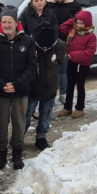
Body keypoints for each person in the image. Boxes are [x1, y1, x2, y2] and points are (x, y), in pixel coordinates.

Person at [0, 9, 37, 170]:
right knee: (1, 123)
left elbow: (32, 68)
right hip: (1, 91)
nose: (7, 25)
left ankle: (17, 154)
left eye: (10, 22)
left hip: (20, 91)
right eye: (4, 22)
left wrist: (17, 84)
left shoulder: (28, 41)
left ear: (16, 23)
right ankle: (1, 153)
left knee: (19, 123)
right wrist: (1, 84)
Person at [26, 22, 66, 150]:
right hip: (32, 87)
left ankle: (41, 137)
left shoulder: (60, 46)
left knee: (46, 114)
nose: (44, 49)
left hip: (50, 86)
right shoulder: (29, 44)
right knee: (26, 114)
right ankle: (19, 137)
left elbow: (59, 63)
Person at [59, 10, 97, 119]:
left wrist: (74, 55)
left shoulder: (91, 36)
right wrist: (74, 19)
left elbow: (90, 52)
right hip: (72, 61)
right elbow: (62, 27)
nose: (79, 25)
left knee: (80, 85)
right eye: (78, 22)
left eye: (82, 23)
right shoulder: (73, 31)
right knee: (70, 84)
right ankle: (67, 107)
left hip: (83, 63)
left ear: (87, 24)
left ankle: (80, 108)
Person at [47, 0, 81, 102]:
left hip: (66, 42)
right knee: (50, 70)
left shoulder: (74, 5)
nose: (60, 0)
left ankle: (64, 94)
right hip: (49, 41)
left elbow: (79, 22)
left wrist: (73, 33)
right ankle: (50, 95)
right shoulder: (46, 4)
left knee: (63, 70)